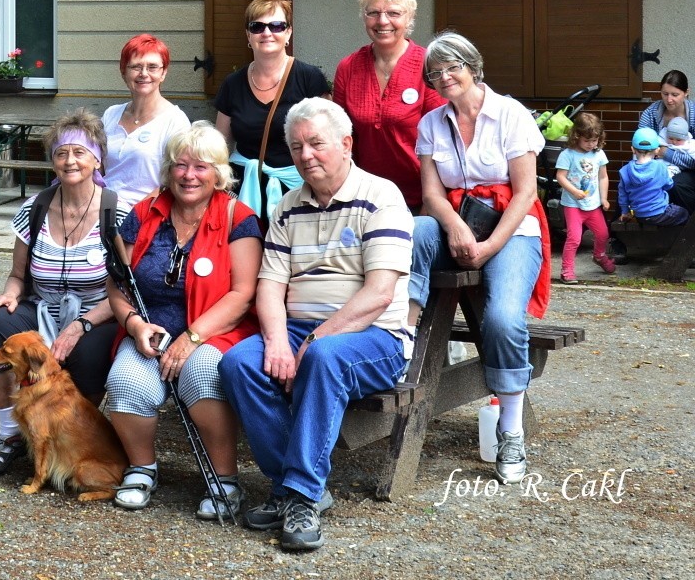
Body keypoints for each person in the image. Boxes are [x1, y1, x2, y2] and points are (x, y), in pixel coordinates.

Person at [219, 98, 414, 552]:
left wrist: (311, 340)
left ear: (346, 144)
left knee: (323, 358)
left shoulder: (382, 197)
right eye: (296, 146)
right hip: (300, 328)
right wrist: (276, 342)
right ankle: (292, 487)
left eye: (316, 143)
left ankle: (301, 496)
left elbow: (379, 294)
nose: (305, 155)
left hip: (374, 336)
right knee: (238, 363)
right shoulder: (288, 206)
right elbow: (270, 285)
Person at [406, 31, 551, 488]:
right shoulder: (431, 124)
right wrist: (455, 228)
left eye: (453, 67)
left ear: (473, 67)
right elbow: (432, 195)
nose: (445, 77)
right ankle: (402, 333)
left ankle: (511, 431)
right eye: (435, 72)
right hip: (458, 221)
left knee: (503, 320)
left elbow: (526, 193)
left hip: (511, 229)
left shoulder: (510, 114)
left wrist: (488, 247)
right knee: (414, 230)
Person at [104, 123, 261, 519]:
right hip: (151, 330)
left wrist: (192, 337)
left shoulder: (237, 217)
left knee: (203, 375)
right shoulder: (145, 212)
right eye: (180, 165)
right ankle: (142, 468)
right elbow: (117, 284)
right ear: (169, 169)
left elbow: (243, 293)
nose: (189, 175)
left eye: (201, 167)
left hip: (214, 331)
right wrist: (135, 326)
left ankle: (224, 478)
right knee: (125, 381)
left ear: (218, 173)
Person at [0, 110, 127, 477]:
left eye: (80, 152)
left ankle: (66, 435)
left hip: (97, 313)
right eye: (61, 153)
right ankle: (10, 434)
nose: (70, 161)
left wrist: (81, 325)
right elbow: (17, 275)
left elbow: (124, 289)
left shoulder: (116, 211)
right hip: (43, 309)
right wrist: (9, 296)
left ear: (97, 159)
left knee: (88, 352)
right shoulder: (35, 207)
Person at [215, 0, 330, 223]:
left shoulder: (309, 79)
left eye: (276, 26)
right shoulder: (232, 84)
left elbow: (329, 141)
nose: (267, 33)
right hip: (242, 191)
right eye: (257, 27)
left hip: (299, 191)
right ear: (248, 35)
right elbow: (218, 147)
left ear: (288, 33)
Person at [333, 0, 444, 210]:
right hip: (364, 199)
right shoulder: (348, 68)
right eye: (373, 12)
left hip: (420, 199)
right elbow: (340, 139)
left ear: (409, 17)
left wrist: (431, 204)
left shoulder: (430, 66)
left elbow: (443, 143)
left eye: (394, 13)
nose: (382, 21)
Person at [101, 34, 191, 207]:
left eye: (152, 67)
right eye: (136, 66)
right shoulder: (110, 115)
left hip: (148, 214)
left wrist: (133, 216)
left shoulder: (175, 122)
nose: (144, 74)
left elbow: (174, 181)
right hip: (104, 210)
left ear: (163, 73)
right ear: (123, 72)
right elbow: (97, 169)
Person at [555, 112, 614, 283]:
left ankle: (599, 256)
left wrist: (604, 198)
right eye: (587, 140)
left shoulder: (599, 154)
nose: (591, 144)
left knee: (603, 234)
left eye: (594, 140)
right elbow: (560, 176)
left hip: (593, 205)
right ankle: (567, 270)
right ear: (576, 136)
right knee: (574, 238)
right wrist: (574, 191)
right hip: (573, 205)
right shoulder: (568, 154)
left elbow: (603, 177)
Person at [638, 70, 695, 210]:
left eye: (675, 95)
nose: (669, 99)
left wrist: (665, 153)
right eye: (665, 94)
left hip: (689, 172)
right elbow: (641, 147)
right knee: (632, 179)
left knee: (674, 184)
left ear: (686, 92)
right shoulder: (650, 113)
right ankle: (622, 221)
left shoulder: (693, 115)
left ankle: (686, 220)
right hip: (654, 165)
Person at [617, 128, 689, 227]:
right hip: (660, 213)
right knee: (684, 213)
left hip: (639, 215)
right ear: (657, 150)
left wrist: (625, 212)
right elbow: (669, 185)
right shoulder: (660, 167)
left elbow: (622, 195)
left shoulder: (624, 171)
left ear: (633, 149)